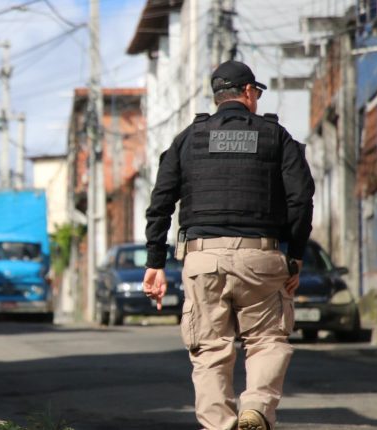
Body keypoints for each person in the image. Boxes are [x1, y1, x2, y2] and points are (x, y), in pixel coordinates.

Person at [143, 60, 315, 430]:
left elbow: (160, 202)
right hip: (261, 257)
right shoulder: (276, 136)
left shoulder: (188, 138)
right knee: (267, 341)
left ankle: (220, 425)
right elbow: (301, 200)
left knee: (209, 350)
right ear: (249, 92)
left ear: (217, 96)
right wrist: (296, 256)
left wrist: (155, 262)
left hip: (202, 259)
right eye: (257, 92)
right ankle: (256, 406)